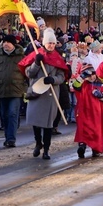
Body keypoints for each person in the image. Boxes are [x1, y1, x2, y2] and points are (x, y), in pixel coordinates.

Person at [20, 29, 70, 160]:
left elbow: (62, 76)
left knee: (48, 124)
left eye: (53, 43)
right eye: (49, 43)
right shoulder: (36, 55)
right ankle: (38, 143)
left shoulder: (58, 58)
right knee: (36, 121)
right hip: (37, 93)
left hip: (50, 94)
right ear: (44, 43)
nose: (51, 45)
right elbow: (28, 73)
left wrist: (53, 80)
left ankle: (46, 149)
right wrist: (36, 63)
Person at [0, 34, 26, 148]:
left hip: (16, 91)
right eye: (4, 42)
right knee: (4, 115)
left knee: (13, 113)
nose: (5, 44)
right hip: (2, 91)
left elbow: (28, 74)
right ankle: (8, 136)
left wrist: (26, 89)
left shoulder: (21, 57)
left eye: (8, 42)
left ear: (13, 44)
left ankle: (11, 139)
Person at [72, 63, 103, 158]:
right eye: (89, 75)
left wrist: (101, 95)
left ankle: (95, 149)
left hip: (97, 112)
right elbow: (75, 86)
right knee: (83, 129)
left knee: (96, 130)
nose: (91, 77)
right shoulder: (82, 84)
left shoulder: (100, 83)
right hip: (84, 111)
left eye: (93, 74)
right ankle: (82, 146)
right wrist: (82, 76)